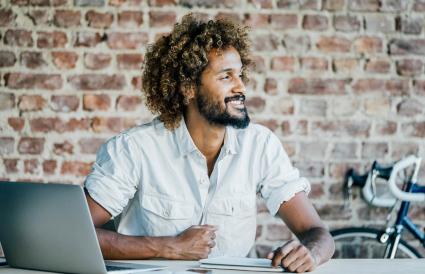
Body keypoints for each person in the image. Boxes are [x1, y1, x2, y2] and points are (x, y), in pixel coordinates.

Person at [84, 13, 335, 273]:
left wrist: (310, 253)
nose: (241, 88)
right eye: (226, 77)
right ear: (188, 88)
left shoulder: (260, 146)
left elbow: (318, 233)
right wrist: (168, 247)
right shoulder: (135, 149)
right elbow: (76, 233)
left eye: (240, 75)